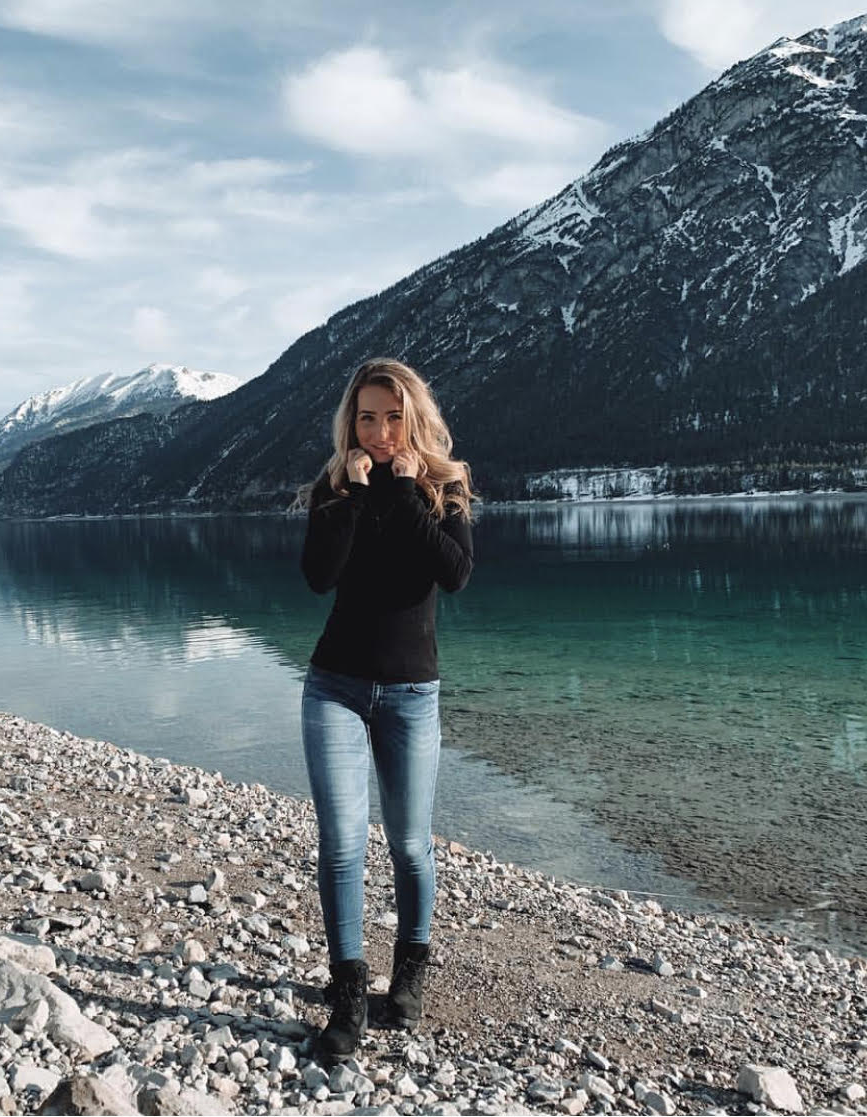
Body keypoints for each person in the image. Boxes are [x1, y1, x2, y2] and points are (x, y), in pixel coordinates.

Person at [298, 356, 475, 1062]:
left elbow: (453, 574)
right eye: (367, 417)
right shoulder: (334, 488)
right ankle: (347, 996)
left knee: (409, 842)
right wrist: (353, 495)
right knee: (342, 843)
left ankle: (408, 977)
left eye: (393, 417)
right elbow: (318, 576)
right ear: (351, 422)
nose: (379, 431)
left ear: (414, 418)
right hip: (334, 688)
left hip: (411, 694)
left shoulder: (445, 486)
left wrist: (402, 489)